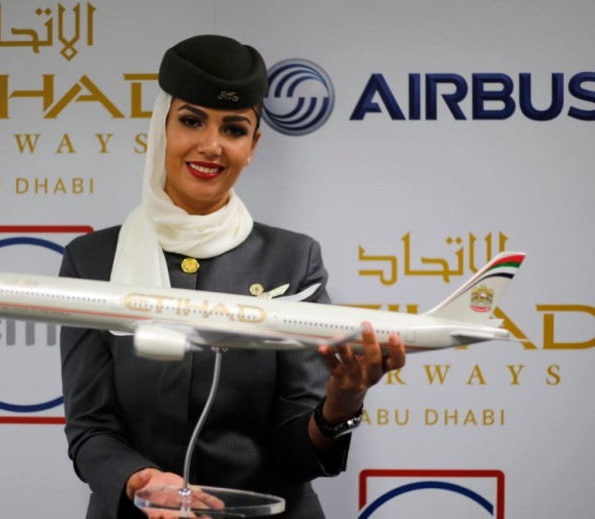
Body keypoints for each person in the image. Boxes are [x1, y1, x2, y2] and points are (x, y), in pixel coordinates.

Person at [58, 34, 406, 519]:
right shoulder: (91, 261)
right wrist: (140, 480)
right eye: (191, 121)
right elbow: (91, 428)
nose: (211, 146)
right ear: (161, 128)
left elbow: (297, 452)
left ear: (253, 145)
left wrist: (341, 403)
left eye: (234, 129)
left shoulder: (293, 260)